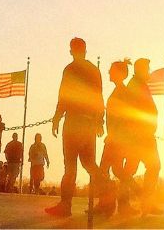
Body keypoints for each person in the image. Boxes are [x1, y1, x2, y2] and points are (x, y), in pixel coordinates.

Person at [45, 38, 104, 217]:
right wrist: (99, 121)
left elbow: (64, 96)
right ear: (85, 50)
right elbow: (99, 98)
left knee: (70, 165)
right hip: (88, 124)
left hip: (74, 122)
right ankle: (109, 195)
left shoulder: (70, 69)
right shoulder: (94, 71)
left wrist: (56, 118)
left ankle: (65, 205)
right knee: (90, 164)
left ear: (71, 51)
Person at [97, 60, 140, 215]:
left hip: (117, 139)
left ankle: (109, 204)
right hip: (117, 138)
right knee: (114, 170)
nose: (108, 72)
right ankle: (121, 204)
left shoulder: (123, 93)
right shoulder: (120, 92)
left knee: (105, 170)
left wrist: (113, 136)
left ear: (120, 74)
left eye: (111, 70)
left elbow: (123, 118)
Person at [127, 59, 161, 202]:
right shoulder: (135, 85)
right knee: (153, 166)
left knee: (129, 170)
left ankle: (140, 201)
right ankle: (143, 199)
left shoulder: (140, 85)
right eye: (147, 69)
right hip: (140, 135)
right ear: (140, 70)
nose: (149, 71)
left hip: (143, 134)